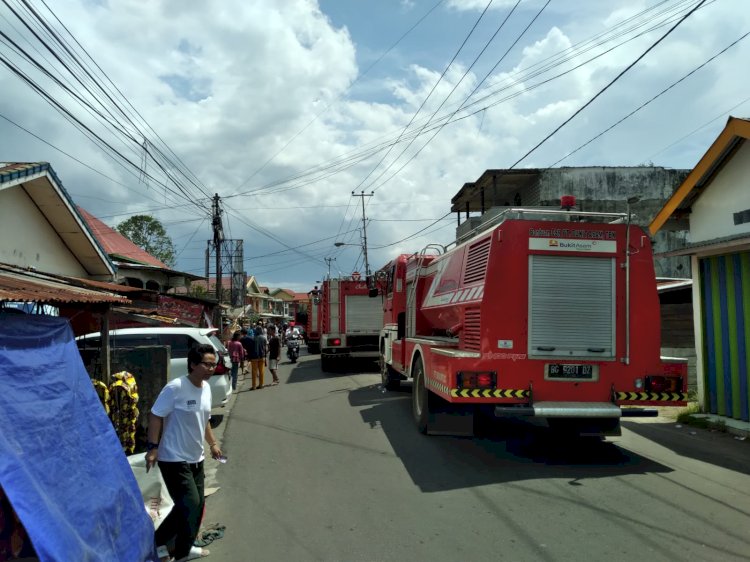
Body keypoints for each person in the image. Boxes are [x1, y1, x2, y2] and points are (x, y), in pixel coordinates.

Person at [146, 343, 223, 562]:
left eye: (213, 364)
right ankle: (165, 545)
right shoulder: (176, 387)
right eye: (207, 364)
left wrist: (213, 444)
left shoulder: (206, 388)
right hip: (173, 458)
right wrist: (152, 448)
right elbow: (155, 415)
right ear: (192, 364)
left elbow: (205, 420)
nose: (211, 368)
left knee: (195, 505)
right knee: (190, 503)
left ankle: (179, 547)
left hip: (196, 457)